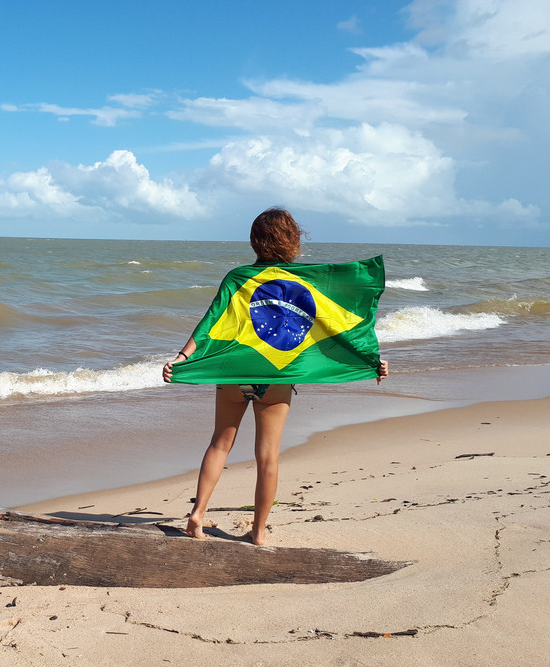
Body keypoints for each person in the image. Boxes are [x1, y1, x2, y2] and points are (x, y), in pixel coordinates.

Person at [162, 208, 389, 545]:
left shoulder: (239, 277)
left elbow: (211, 322)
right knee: (267, 456)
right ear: (293, 240)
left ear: (255, 240)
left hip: (236, 374)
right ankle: (258, 531)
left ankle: (197, 515)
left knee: (220, 444)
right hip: (277, 378)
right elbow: (338, 326)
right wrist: (371, 360)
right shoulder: (307, 281)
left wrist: (182, 358)